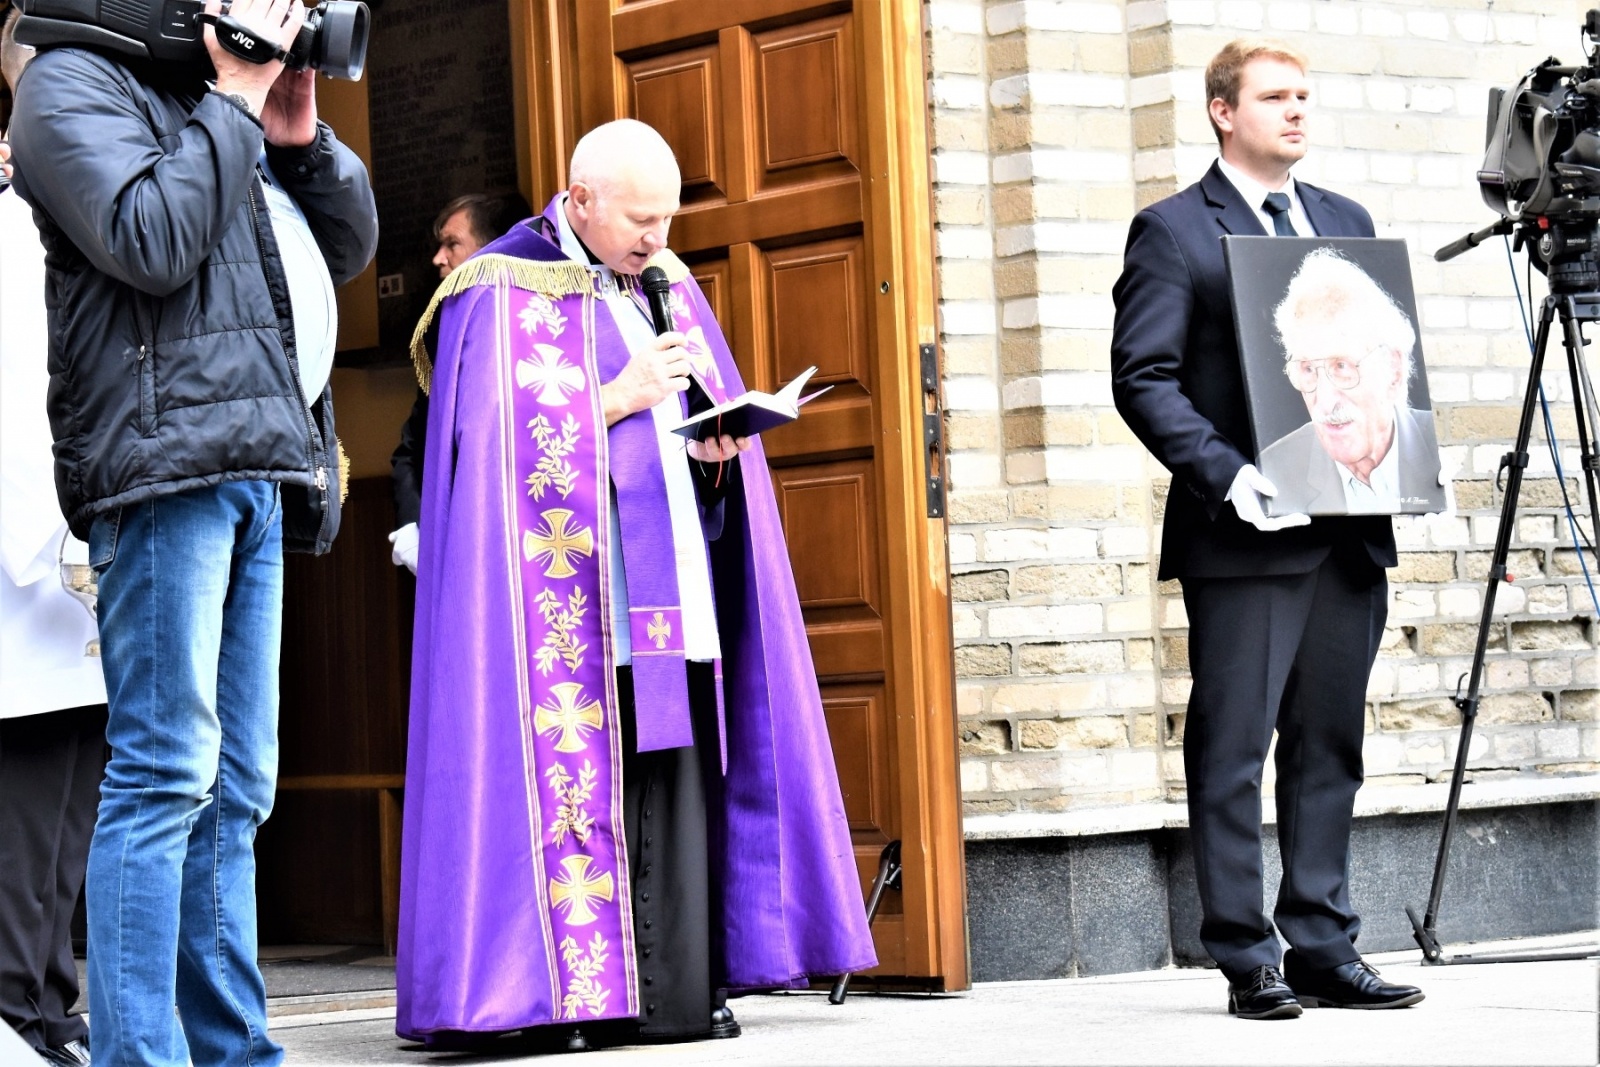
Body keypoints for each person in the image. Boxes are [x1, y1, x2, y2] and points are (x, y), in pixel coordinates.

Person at [396, 118, 874, 1047]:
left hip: (671, 580)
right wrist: (614, 397)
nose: (658, 239)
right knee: (586, 785)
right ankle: (572, 998)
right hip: (565, 601)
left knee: (680, 776)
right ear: (579, 202)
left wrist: (719, 446)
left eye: (667, 218)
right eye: (639, 221)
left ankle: (680, 987)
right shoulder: (500, 284)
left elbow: (692, 427)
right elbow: (483, 448)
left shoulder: (671, 284)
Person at [7, 0, 378, 1060]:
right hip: (162, 469)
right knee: (165, 770)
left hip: (260, 462)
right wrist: (230, 100)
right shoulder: (66, 84)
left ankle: (233, 1047)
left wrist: (299, 137)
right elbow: (152, 240)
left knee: (237, 787)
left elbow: (347, 250)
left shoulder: (224, 97)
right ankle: (141, 1055)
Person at [1110, 39, 1425, 1019]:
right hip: (1243, 538)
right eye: (1274, 97)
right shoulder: (1171, 232)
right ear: (1220, 110)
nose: (1296, 111)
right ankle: (1246, 953)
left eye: (1303, 97)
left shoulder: (1344, 221)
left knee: (1329, 742)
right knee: (1234, 743)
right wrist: (1227, 476)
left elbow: (1381, 355)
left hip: (1345, 533)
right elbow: (1142, 377)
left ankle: (1324, 941)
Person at [0, 10, 104, 1064]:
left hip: (84, 550)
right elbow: (14, 408)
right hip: (27, 560)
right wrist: (53, 544)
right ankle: (14, 1005)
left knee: (77, 793)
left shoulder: (69, 212)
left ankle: (48, 1000)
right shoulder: (9, 226)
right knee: (29, 801)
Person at [390, 192, 532, 573]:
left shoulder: (538, 337)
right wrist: (411, 525)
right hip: (455, 551)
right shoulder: (443, 341)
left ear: (495, 250)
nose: (439, 259)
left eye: (452, 244)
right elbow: (411, 448)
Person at [1259, 248, 1442, 514]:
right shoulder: (1275, 470)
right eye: (1308, 369)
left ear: (1394, 370)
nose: (1324, 401)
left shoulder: (1434, 449)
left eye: (1341, 366)